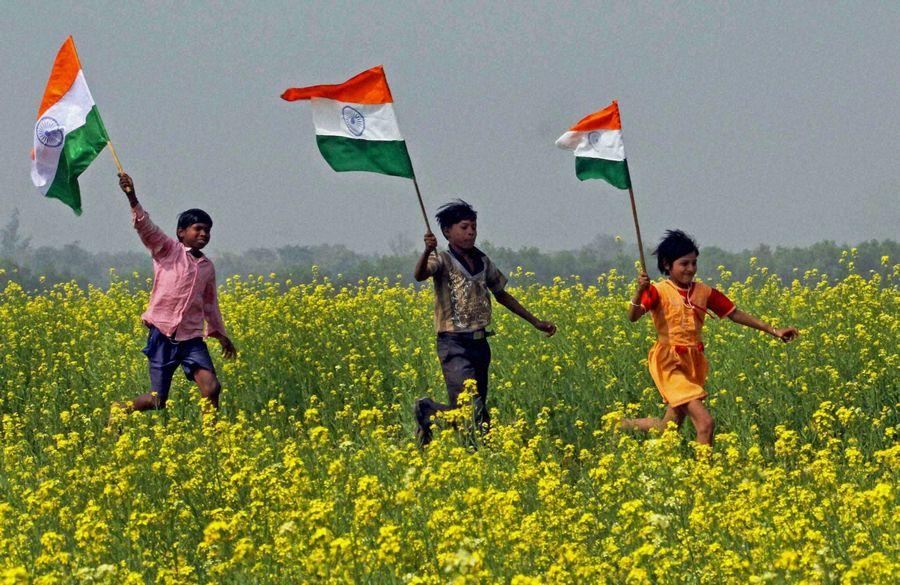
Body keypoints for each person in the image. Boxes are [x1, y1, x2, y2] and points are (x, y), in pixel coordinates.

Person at [621, 229, 798, 445]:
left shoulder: (704, 292)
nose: (691, 269)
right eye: (684, 263)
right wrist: (639, 291)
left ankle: (621, 425)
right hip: (669, 363)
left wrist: (774, 330)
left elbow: (734, 313)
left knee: (667, 428)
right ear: (667, 265)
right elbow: (633, 316)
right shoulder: (657, 291)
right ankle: (704, 475)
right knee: (705, 423)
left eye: (694, 263)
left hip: (693, 362)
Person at [412, 200, 557, 445]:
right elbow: (420, 275)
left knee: (474, 408)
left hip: (479, 344)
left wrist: (535, 321)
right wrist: (427, 250)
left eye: (473, 227)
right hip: (453, 344)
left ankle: (472, 443)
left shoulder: (482, 260)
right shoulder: (443, 260)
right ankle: (435, 416)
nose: (471, 232)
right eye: (464, 227)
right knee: (471, 408)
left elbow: (501, 294)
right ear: (447, 231)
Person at [115, 173, 236, 412]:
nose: (204, 234)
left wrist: (221, 335)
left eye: (208, 230)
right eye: (198, 229)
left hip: (191, 338)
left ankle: (213, 437)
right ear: (181, 232)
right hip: (162, 334)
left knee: (211, 388)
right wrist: (132, 197)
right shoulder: (168, 250)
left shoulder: (207, 267)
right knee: (157, 400)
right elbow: (145, 227)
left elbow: (210, 306)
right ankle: (120, 410)